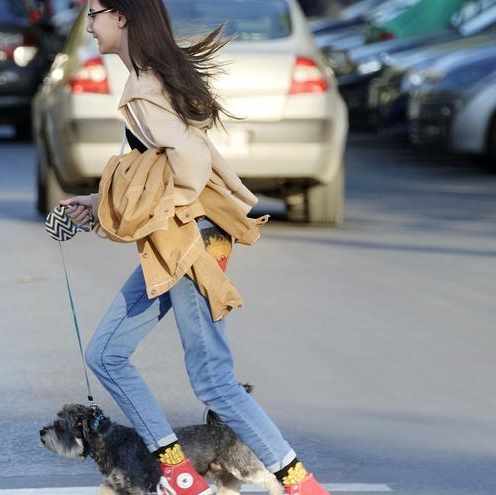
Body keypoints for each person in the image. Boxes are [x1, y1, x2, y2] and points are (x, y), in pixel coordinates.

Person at [59, 1, 331, 494]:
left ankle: (299, 486)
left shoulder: (145, 86)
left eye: (95, 13)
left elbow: (186, 163)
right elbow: (155, 170)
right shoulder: (149, 78)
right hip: (181, 238)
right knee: (107, 354)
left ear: (121, 16)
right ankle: (180, 475)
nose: (90, 25)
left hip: (190, 241)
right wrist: (100, 203)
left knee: (214, 382)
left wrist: (178, 210)